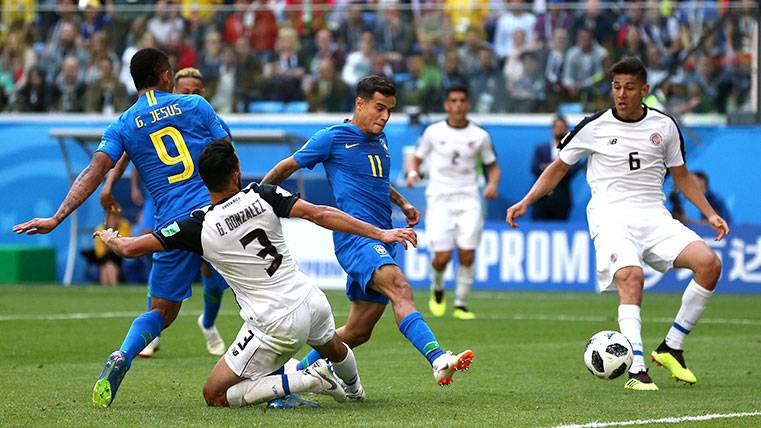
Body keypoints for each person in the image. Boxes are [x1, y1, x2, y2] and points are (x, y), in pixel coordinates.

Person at [93, 140, 418, 408]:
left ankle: (308, 379)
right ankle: (356, 390)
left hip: (274, 323)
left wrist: (110, 237)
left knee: (214, 394)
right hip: (311, 299)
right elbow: (320, 214)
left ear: (203, 181)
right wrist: (381, 234)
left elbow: (132, 248)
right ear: (236, 172)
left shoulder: (196, 225)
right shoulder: (263, 194)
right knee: (333, 345)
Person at [14, 48, 233, 408]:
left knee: (160, 312)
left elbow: (94, 171)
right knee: (259, 296)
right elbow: (227, 152)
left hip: (170, 226)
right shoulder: (196, 106)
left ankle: (122, 356)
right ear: (166, 75)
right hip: (214, 212)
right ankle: (275, 378)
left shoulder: (125, 123)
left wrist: (56, 217)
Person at [506, 57, 729, 391]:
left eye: (629, 87)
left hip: (654, 217)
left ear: (645, 90)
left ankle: (671, 347)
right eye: (616, 87)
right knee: (631, 277)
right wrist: (526, 201)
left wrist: (709, 213)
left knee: (709, 264)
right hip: (611, 217)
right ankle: (637, 368)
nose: (621, 94)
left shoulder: (665, 126)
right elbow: (557, 168)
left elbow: (681, 175)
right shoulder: (593, 126)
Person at [261, 75, 474, 385]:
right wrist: (254, 201)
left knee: (357, 332)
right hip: (356, 239)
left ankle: (294, 373)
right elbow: (285, 168)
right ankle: (437, 358)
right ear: (359, 103)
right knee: (400, 287)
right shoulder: (332, 137)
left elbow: (376, 182)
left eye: (390, 110)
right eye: (379, 108)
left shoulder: (380, 140)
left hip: (382, 237)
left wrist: (403, 203)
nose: (385, 117)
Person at [110, 67, 232, 359]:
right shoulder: (149, 120)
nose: (189, 95)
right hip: (164, 199)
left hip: (204, 201)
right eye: (184, 91)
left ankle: (208, 322)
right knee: (154, 251)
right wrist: (119, 185)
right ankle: (154, 331)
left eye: (195, 92)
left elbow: (227, 156)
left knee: (211, 272)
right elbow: (130, 152)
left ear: (203, 94)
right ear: (171, 90)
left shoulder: (205, 116)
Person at [405, 85, 500, 320]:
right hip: (440, 200)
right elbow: (416, 160)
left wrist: (492, 184)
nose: (458, 105)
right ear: (447, 105)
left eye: (462, 101)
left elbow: (492, 167)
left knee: (467, 253)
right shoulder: (433, 132)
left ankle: (460, 302)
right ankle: (437, 287)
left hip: (469, 199)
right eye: (453, 101)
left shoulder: (480, 136)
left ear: (468, 105)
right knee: (443, 257)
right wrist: (412, 173)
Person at [530, 116, 582, 221]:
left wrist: (548, 167)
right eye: (557, 127)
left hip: (561, 199)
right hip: (541, 198)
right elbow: (535, 168)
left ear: (567, 129)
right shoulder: (541, 149)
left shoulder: (572, 150)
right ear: (552, 129)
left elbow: (573, 170)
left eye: (562, 127)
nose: (559, 130)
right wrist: (559, 168)